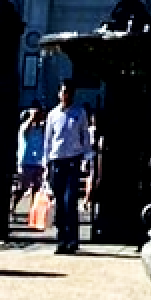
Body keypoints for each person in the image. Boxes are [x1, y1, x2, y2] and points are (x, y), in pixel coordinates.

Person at [42, 80, 92, 254]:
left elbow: (85, 135)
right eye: (63, 92)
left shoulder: (79, 113)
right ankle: (61, 238)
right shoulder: (53, 114)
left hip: (72, 159)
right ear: (59, 94)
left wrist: (87, 156)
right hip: (57, 160)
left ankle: (72, 239)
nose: (66, 96)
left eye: (69, 92)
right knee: (60, 204)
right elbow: (48, 140)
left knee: (70, 200)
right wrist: (45, 162)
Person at [12, 106, 46, 219]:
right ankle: (13, 206)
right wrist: (31, 117)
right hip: (26, 161)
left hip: (38, 161)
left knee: (36, 188)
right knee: (23, 187)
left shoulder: (40, 129)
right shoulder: (24, 128)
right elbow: (26, 130)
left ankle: (33, 211)